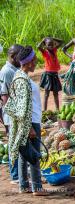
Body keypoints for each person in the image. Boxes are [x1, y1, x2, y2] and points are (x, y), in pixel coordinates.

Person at [4, 46, 47, 196]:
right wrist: (29, 128)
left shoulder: (19, 75)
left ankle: (24, 185)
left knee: (24, 154)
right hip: (30, 122)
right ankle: (37, 188)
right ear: (28, 63)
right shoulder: (22, 80)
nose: (36, 63)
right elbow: (23, 107)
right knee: (34, 155)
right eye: (35, 60)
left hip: (28, 122)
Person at [0, 44, 23, 184]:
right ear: (13, 56)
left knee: (19, 144)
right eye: (20, 56)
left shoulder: (14, 69)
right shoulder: (6, 71)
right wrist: (16, 115)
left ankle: (19, 172)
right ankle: (15, 175)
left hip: (17, 113)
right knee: (14, 145)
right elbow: (4, 96)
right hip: (12, 115)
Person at [38, 37, 63, 111]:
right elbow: (38, 47)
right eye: (49, 45)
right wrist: (43, 40)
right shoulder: (45, 52)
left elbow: (61, 41)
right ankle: (44, 111)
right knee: (46, 94)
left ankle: (57, 110)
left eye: (52, 45)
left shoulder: (54, 50)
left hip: (55, 75)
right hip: (48, 75)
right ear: (45, 46)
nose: (51, 46)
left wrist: (52, 38)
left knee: (56, 93)